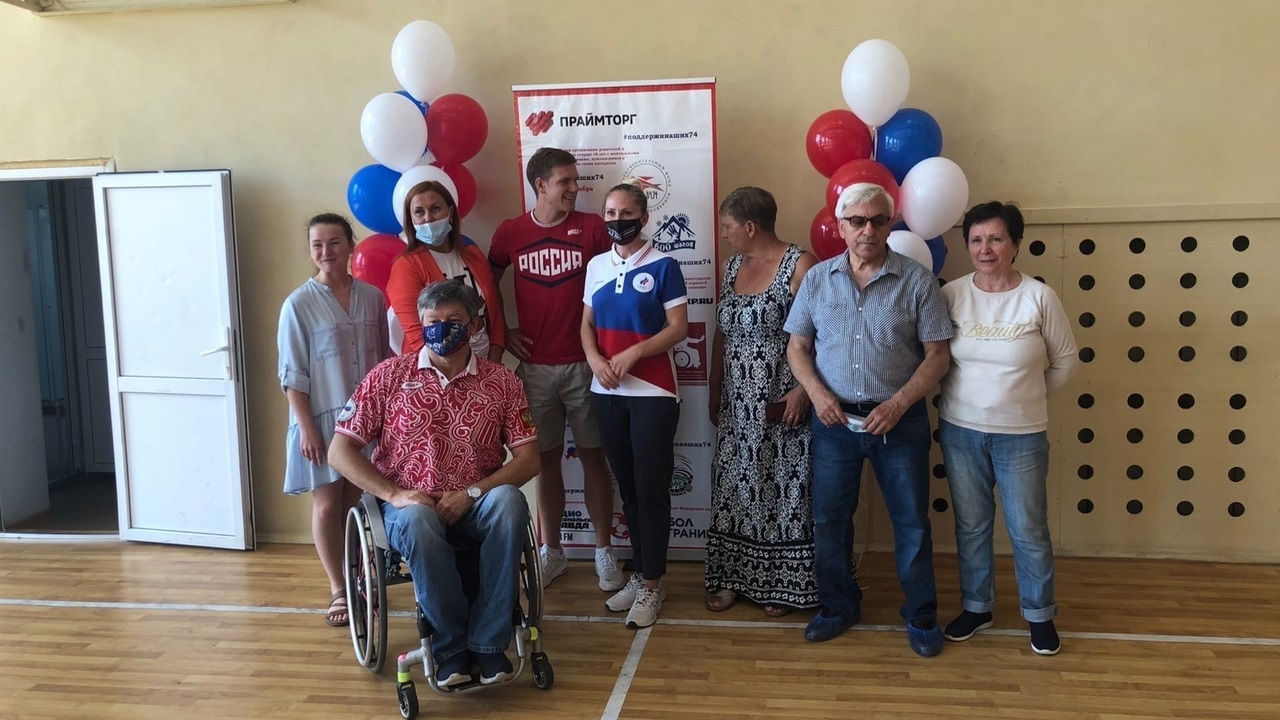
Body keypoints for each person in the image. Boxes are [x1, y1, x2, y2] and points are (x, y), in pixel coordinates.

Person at [327, 280, 539, 688]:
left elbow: (529, 459)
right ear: (421, 325)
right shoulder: (389, 375)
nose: (442, 329)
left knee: (510, 503)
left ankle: (488, 644)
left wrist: (472, 493)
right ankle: (450, 646)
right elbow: (340, 451)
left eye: (453, 320)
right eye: (432, 321)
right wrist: (395, 495)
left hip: (475, 501)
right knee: (420, 520)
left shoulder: (502, 382)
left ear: (474, 324)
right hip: (408, 506)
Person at [784, 182, 953, 656]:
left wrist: (898, 404)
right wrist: (818, 395)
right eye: (856, 221)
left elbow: (937, 356)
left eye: (878, 220)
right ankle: (838, 606)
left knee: (912, 523)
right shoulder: (818, 280)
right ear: (840, 227)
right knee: (829, 519)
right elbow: (797, 347)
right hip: (833, 422)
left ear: (890, 224)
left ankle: (920, 615)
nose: (867, 230)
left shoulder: (917, 281)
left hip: (900, 422)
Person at [938, 201, 1079, 656]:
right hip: (960, 431)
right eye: (976, 240)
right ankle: (977, 607)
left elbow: (1066, 361)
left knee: (1028, 528)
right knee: (972, 526)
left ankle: (1039, 615)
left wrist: (1026, 396)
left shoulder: (1039, 297)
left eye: (996, 239)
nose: (985, 249)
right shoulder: (952, 295)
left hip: (1022, 436)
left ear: (1015, 244)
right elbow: (935, 358)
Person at [489, 148, 621, 592]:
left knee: (594, 457)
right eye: (565, 181)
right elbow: (488, 282)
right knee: (545, 462)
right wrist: (504, 329)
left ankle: (603, 550)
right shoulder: (510, 232)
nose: (575, 188)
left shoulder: (593, 228)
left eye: (576, 180)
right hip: (534, 370)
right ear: (540, 185)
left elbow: (617, 279)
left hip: (586, 365)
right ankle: (553, 550)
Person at [704, 186, 819, 617]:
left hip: (782, 399)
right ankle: (734, 578)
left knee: (784, 490)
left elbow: (826, 334)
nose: (725, 234)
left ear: (750, 227)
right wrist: (714, 386)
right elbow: (722, 331)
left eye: (728, 227)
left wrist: (805, 391)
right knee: (735, 486)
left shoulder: (801, 265)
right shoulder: (733, 265)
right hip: (737, 405)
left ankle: (782, 584)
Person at [581, 181, 688, 629]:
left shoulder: (665, 265)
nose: (616, 221)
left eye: (626, 213)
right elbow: (586, 324)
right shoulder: (597, 265)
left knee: (650, 491)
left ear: (644, 218)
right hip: (606, 392)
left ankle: (652, 585)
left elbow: (678, 327)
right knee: (627, 489)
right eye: (610, 213)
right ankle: (641, 573)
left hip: (653, 394)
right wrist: (594, 360)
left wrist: (634, 353)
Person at [277, 213, 389, 628]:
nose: (326, 251)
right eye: (317, 245)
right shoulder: (298, 304)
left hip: (366, 420)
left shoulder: (373, 298)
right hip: (321, 421)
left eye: (334, 242)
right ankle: (338, 587)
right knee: (327, 505)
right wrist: (306, 428)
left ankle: (359, 578)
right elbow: (292, 374)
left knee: (355, 503)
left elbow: (384, 359)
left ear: (350, 245)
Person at [386, 180, 506, 361]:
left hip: (485, 361)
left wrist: (494, 362)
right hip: (437, 368)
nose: (428, 218)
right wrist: (453, 371)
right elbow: (416, 335)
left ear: (450, 213)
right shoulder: (406, 266)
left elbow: (494, 310)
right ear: (411, 221)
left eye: (435, 208)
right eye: (419, 212)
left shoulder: (474, 254)